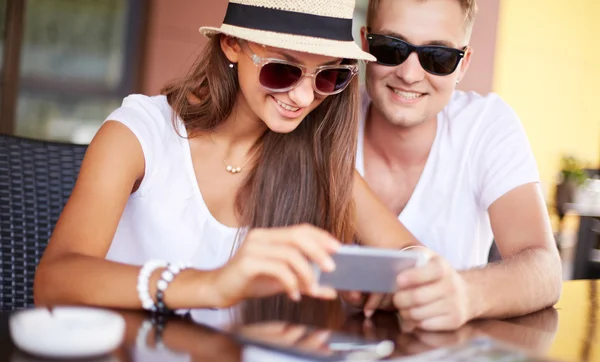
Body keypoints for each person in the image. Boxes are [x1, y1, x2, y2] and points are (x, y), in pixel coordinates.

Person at [34, 0, 423, 313]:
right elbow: (55, 282)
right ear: (232, 44)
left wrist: (393, 284)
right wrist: (210, 285)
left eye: (328, 76)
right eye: (282, 71)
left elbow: (413, 257)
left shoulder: (316, 158)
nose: (305, 98)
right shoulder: (139, 135)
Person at [345, 0, 562, 330]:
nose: (409, 74)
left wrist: (463, 293)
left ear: (463, 64)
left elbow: (545, 269)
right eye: (391, 48)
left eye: (438, 57)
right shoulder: (327, 117)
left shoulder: (486, 125)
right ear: (365, 44)